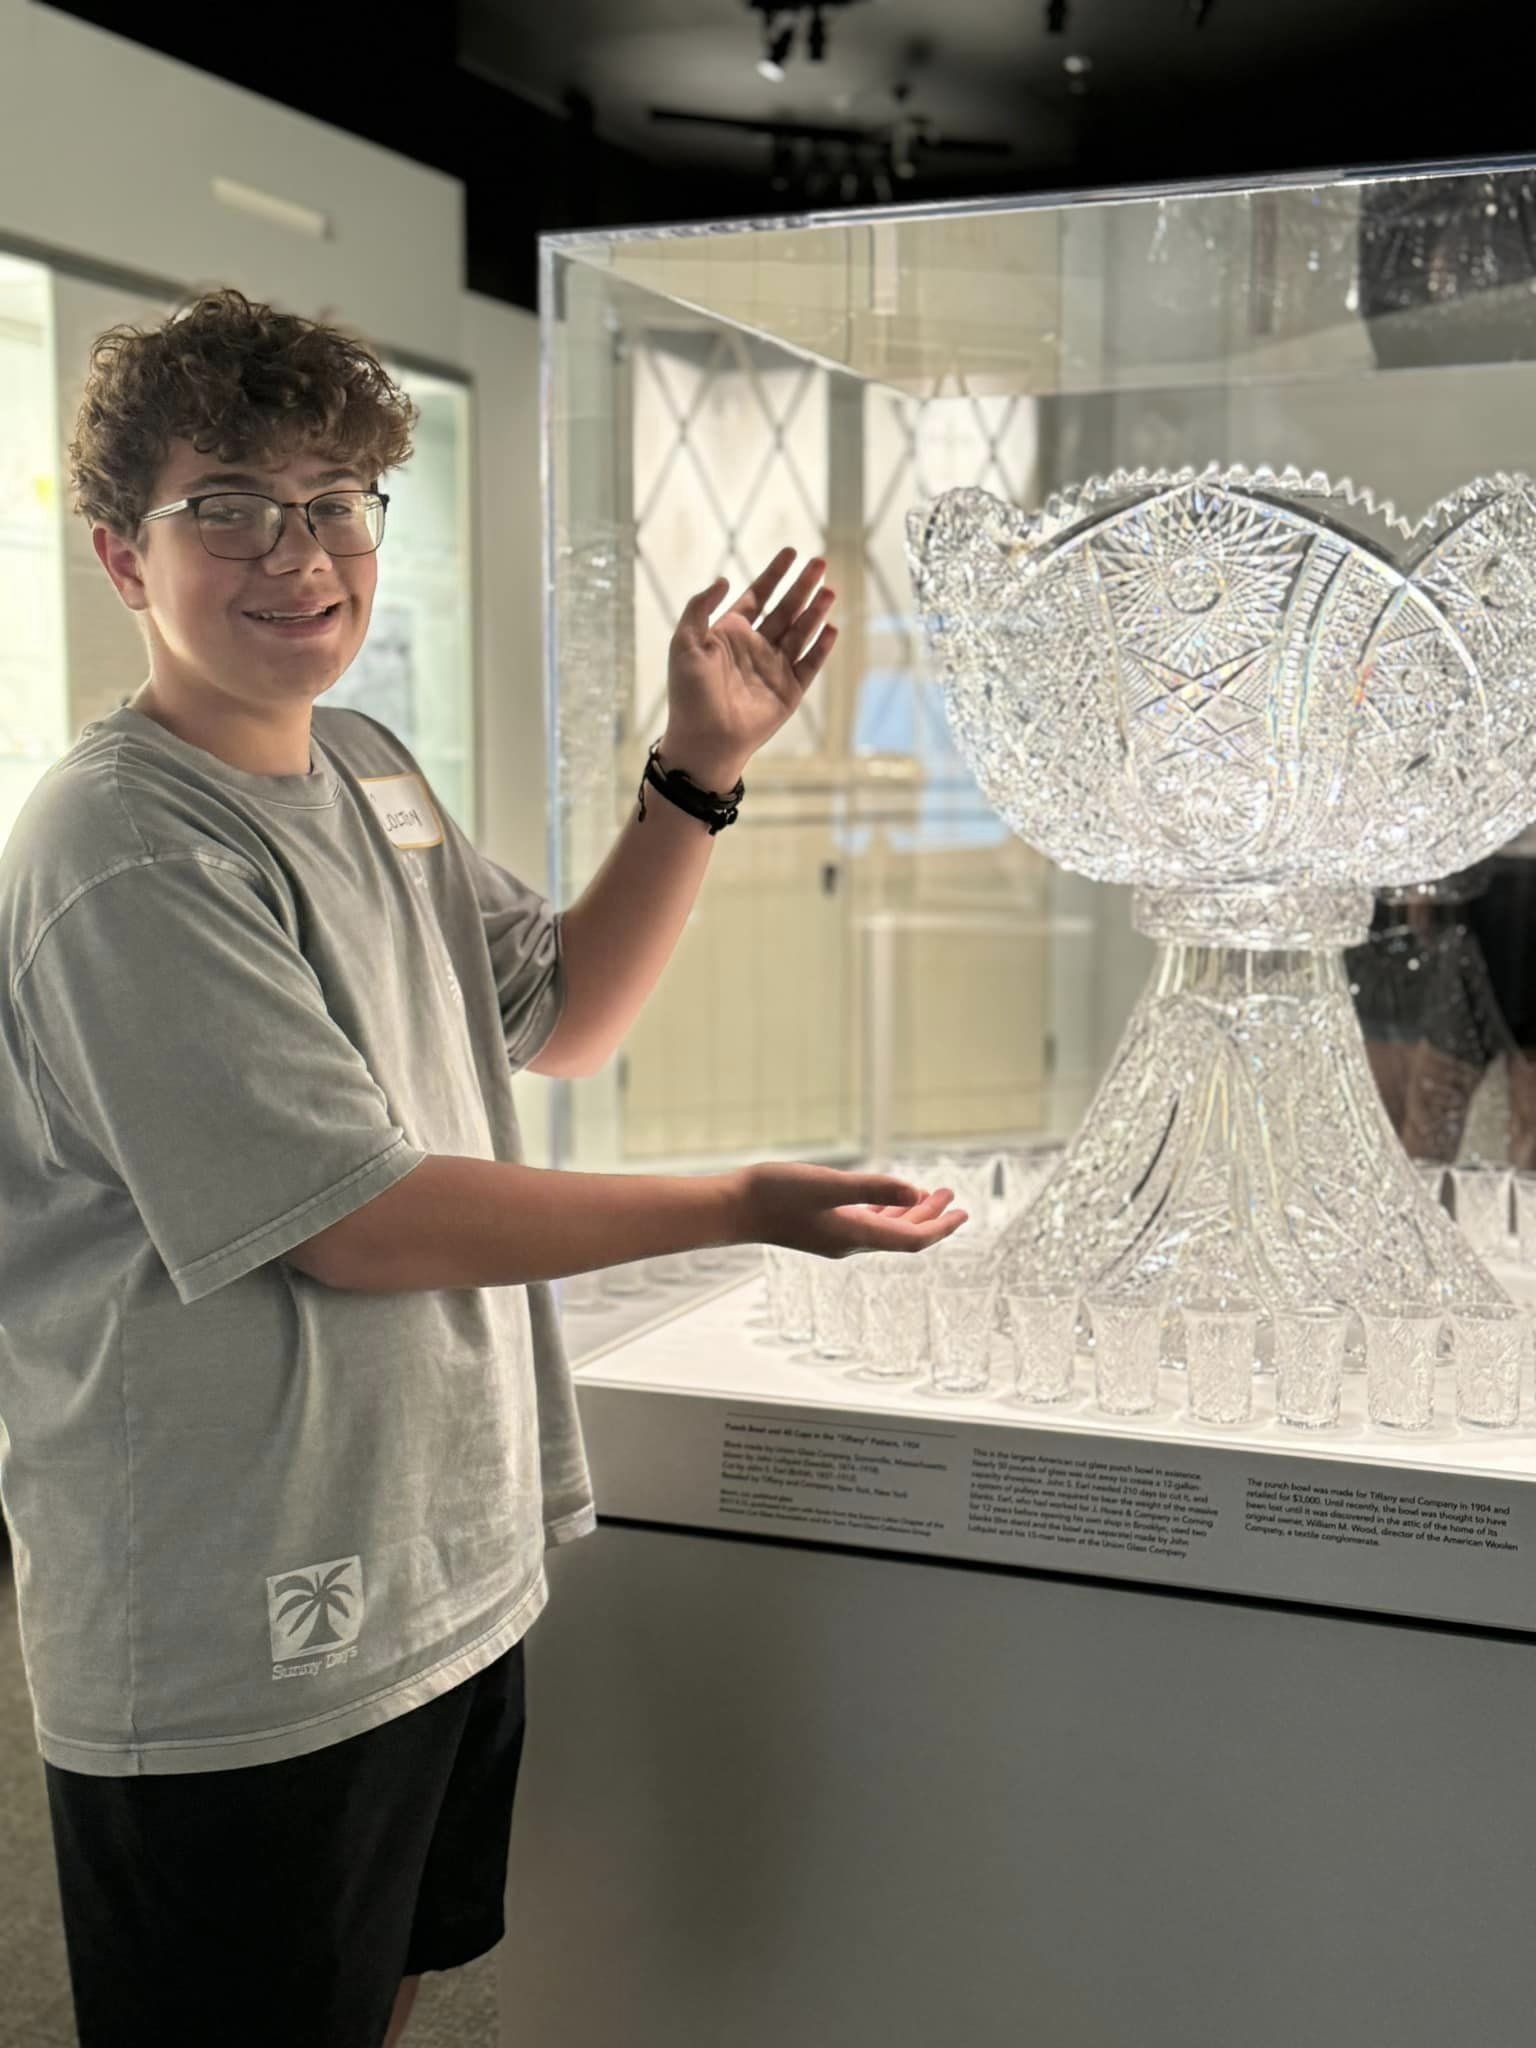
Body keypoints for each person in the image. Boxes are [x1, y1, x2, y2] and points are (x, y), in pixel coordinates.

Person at [0, 286, 966, 2048]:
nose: (299, 554)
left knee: (379, 1984)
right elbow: (357, 1221)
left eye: (336, 502)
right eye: (227, 505)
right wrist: (737, 1205)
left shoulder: (366, 766)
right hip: (240, 1606)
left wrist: (699, 770)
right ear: (124, 557)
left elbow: (562, 1011)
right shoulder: (122, 845)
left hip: (427, 1554)